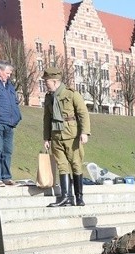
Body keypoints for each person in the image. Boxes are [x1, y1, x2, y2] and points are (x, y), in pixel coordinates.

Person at [42, 67, 90, 207]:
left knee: (76, 164)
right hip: (56, 135)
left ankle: (79, 197)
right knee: (62, 166)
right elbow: (46, 118)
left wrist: (84, 132)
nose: (46, 84)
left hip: (71, 135)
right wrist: (46, 138)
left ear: (55, 81)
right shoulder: (48, 97)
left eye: (47, 81)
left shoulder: (71, 94)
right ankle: (66, 197)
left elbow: (83, 113)